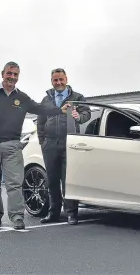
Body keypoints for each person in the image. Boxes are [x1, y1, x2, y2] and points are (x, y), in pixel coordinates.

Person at [0, 61, 71, 230]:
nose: (12, 77)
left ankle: (17, 217)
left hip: (12, 145)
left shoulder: (22, 98)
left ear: (18, 76)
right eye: (9, 73)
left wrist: (60, 110)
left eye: (15, 74)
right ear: (2, 74)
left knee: (15, 184)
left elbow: (40, 109)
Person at [37, 68, 91, 225]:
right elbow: (40, 121)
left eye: (61, 79)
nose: (58, 83)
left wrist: (79, 116)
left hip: (70, 143)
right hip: (50, 144)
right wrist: (43, 142)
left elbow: (86, 114)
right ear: (51, 81)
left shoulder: (77, 97)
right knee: (52, 180)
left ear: (66, 79)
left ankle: (71, 213)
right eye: (55, 80)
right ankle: (53, 213)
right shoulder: (46, 99)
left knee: (69, 179)